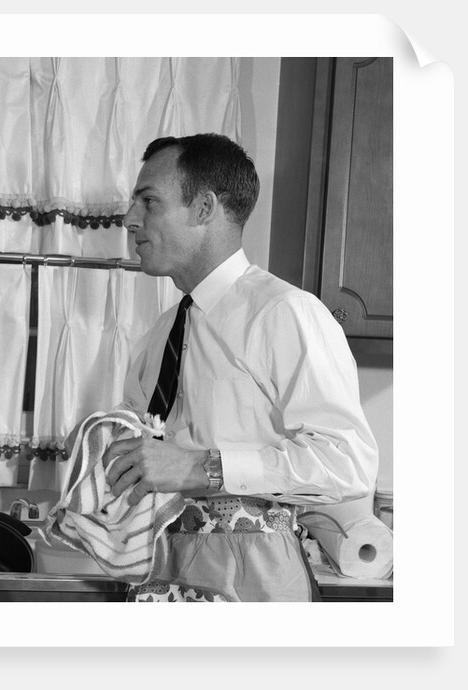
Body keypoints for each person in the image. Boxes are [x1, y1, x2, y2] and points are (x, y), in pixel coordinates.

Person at [101, 133, 378, 602]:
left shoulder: (285, 313)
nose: (130, 220)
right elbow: (150, 453)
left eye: (149, 202)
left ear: (204, 208)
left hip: (254, 575)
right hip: (157, 565)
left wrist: (201, 469)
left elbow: (347, 462)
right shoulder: (160, 332)